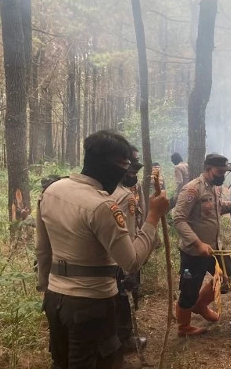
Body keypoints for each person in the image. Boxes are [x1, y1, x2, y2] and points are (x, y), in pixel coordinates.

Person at [36, 130, 169, 369]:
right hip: (91, 304)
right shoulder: (102, 206)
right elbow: (131, 261)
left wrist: (46, 287)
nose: (127, 172)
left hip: (55, 299)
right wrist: (153, 217)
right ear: (111, 165)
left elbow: (43, 250)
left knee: (62, 361)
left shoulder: (52, 191)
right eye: (125, 165)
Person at [172, 154, 231, 336]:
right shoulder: (192, 189)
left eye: (224, 172)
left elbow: (217, 207)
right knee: (189, 289)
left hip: (214, 248)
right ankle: (184, 327)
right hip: (193, 253)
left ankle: (201, 304)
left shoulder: (216, 188)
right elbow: (178, 219)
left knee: (229, 276)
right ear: (208, 169)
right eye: (219, 172)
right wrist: (197, 243)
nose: (222, 175)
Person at [111, 147, 146, 357]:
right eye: (131, 172)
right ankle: (125, 340)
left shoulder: (107, 189)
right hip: (120, 257)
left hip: (109, 256)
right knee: (121, 298)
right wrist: (131, 268)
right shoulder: (123, 196)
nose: (134, 176)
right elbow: (128, 233)